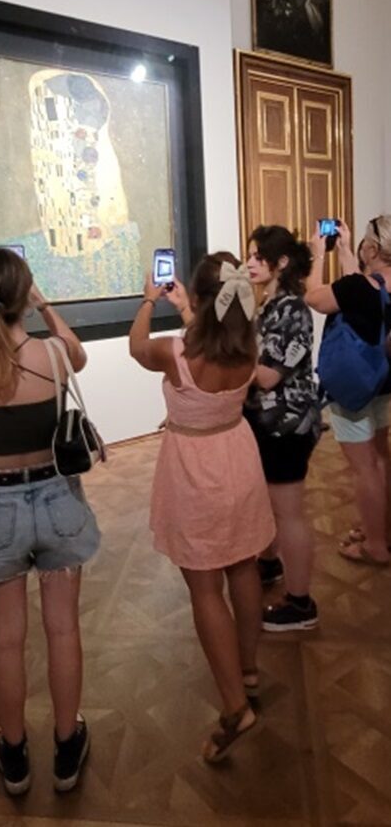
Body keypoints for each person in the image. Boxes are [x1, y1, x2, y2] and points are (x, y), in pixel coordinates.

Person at [0, 248, 100, 795]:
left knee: (5, 641)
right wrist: (44, 304)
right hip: (57, 500)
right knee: (63, 629)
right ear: (24, 296)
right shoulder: (55, 355)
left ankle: (14, 754)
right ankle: (66, 744)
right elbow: (78, 354)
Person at [129, 252, 275, 763]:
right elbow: (215, 332)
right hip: (237, 457)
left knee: (205, 585)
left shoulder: (175, 353)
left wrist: (150, 301)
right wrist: (189, 310)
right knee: (244, 567)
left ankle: (235, 707)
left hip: (195, 469)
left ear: (199, 295)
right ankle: (248, 671)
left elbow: (136, 346)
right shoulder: (248, 345)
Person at [245, 226, 321, 631]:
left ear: (282, 262)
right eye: (250, 255)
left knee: (289, 512)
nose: (250, 263)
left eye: (258, 257)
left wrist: (228, 360)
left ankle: (301, 602)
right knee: (272, 503)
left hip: (287, 425)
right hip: (270, 423)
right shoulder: (270, 304)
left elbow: (268, 376)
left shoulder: (291, 308)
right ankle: (269, 562)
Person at [306, 217, 391, 566]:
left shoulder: (358, 288)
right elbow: (363, 294)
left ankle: (375, 546)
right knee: (381, 457)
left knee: (363, 466)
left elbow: (315, 297)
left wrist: (317, 254)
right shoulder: (369, 286)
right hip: (383, 380)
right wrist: (344, 250)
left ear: (372, 249)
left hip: (353, 386)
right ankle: (381, 529)